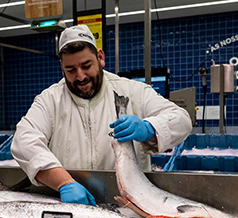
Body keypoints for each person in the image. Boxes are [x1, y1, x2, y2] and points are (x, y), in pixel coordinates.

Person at [11, 25, 192, 205]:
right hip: (72, 204)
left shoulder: (133, 91)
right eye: (71, 70)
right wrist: (64, 184)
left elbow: (181, 119)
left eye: (86, 65)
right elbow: (24, 140)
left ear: (100, 57)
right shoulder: (50, 100)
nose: (80, 76)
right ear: (62, 67)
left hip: (130, 205)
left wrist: (149, 128)